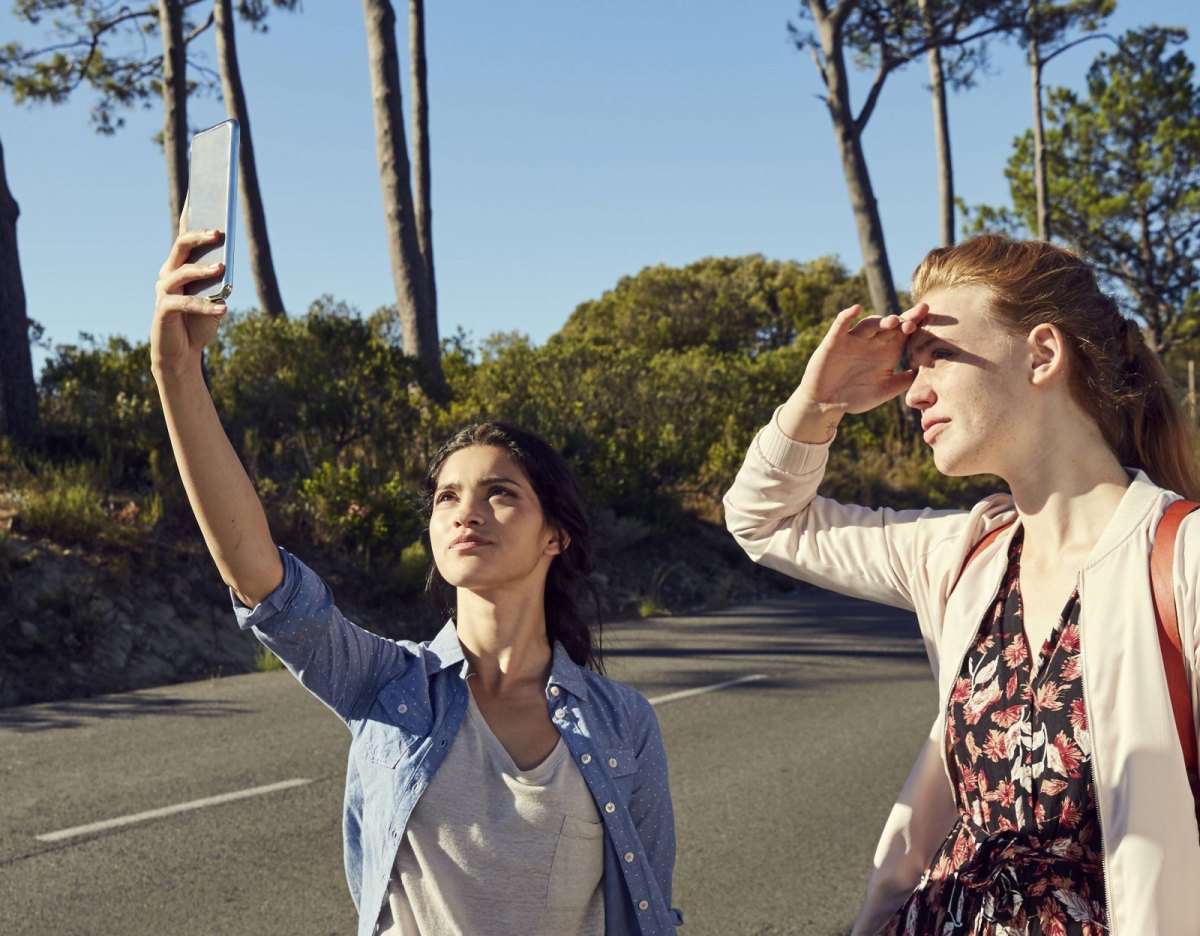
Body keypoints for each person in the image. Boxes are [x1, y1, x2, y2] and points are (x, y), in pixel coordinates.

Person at [151, 225, 682, 936]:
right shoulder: (386, 687)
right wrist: (177, 373)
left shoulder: (623, 723)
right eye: (446, 497)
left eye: (500, 493)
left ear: (555, 534)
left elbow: (650, 912)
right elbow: (260, 579)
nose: (467, 512)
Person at [723, 233, 1200, 935]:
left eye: (937, 356)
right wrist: (818, 401)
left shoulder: (1180, 556)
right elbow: (764, 520)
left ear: (1042, 354)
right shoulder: (962, 555)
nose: (913, 393)